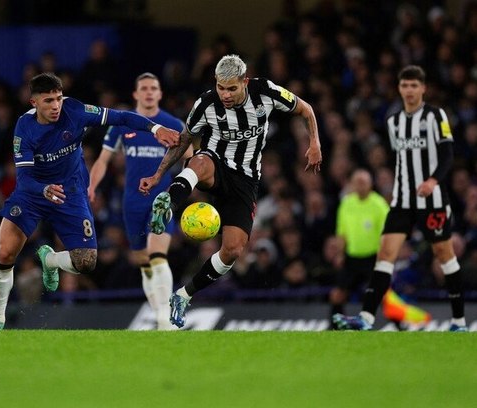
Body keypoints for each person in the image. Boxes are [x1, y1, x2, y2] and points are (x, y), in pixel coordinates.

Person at [0, 72, 179, 330]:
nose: (55, 106)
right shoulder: (24, 129)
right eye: (48, 101)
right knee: (6, 251)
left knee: (86, 261)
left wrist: (155, 128)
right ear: (34, 103)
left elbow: (120, 117)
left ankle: (50, 260)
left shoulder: (75, 110)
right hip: (34, 192)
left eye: (58, 99)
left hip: (71, 191)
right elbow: (25, 178)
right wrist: (43, 190)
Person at [139, 54, 322, 328]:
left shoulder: (266, 93)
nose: (224, 94)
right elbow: (183, 141)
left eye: (231, 88)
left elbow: (306, 109)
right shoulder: (206, 103)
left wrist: (315, 143)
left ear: (245, 82)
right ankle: (168, 202)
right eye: (221, 88)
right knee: (200, 160)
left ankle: (183, 295)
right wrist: (157, 175)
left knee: (233, 251)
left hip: (246, 180)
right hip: (215, 165)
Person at [333, 65, 468, 331]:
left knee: (444, 254)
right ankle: (366, 318)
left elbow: (447, 154)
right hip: (403, 201)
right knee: (385, 255)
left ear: (423, 88)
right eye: (405, 85)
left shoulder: (436, 116)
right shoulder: (393, 122)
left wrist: (432, 180)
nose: (409, 90)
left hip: (432, 200)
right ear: (399, 88)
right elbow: (402, 160)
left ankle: (459, 321)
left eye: (414, 85)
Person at [88, 72, 187, 330]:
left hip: (162, 200)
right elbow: (102, 160)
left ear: (160, 93)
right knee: (144, 262)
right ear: (136, 94)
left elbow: (191, 154)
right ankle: (158, 313)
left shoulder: (172, 123)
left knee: (157, 255)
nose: (149, 92)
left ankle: (164, 319)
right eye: (144, 88)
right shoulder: (123, 124)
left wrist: (189, 183)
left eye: (154, 88)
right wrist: (91, 186)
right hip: (131, 203)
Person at [329, 168, 430, 329]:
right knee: (337, 294)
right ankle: (332, 327)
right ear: (352, 185)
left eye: (364, 182)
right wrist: (340, 254)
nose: (361, 186)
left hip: (373, 258)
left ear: (370, 184)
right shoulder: (346, 204)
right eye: (358, 182)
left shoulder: (378, 204)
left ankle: (400, 325)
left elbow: (388, 233)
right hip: (352, 258)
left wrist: (385, 256)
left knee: (384, 295)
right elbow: (342, 232)